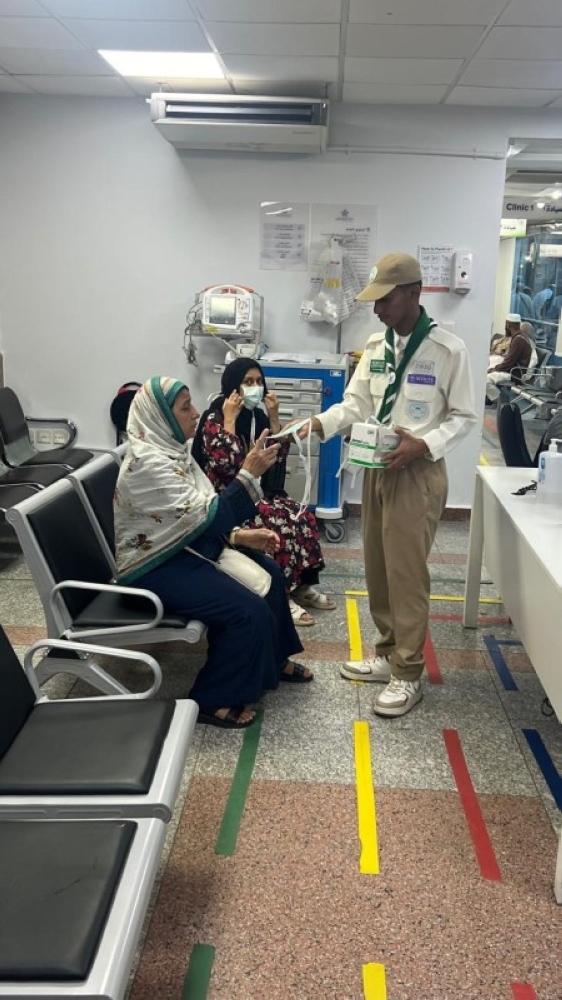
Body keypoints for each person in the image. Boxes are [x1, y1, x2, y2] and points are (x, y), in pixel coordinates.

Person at [282, 253, 477, 717]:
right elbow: (355, 405)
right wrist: (318, 423)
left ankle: (408, 673)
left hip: (418, 472)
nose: (377, 310)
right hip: (375, 469)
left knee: (406, 574)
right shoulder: (375, 347)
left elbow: (465, 417)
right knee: (378, 568)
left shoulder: (448, 350)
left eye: (385, 300)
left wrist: (423, 444)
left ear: (414, 293)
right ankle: (388, 653)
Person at [114, 376, 312, 731]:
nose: (195, 413)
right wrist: (248, 474)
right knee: (245, 610)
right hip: (153, 567)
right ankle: (212, 698)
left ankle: (274, 658)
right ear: (161, 417)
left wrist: (238, 536)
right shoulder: (148, 465)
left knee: (269, 570)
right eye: (185, 407)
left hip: (182, 549)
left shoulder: (172, 452)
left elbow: (191, 516)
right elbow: (211, 515)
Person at [191, 357, 336, 627]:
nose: (255, 387)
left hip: (255, 492)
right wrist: (230, 421)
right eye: (247, 382)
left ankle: (301, 586)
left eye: (259, 381)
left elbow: (275, 463)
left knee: (300, 515)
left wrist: (274, 419)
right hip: (225, 498)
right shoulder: (215, 417)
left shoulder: (257, 417)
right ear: (233, 386)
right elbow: (226, 467)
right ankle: (282, 594)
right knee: (276, 521)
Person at [486, 313, 534, 405]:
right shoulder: (519, 337)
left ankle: (502, 403)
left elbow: (509, 362)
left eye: (505, 324)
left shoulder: (519, 340)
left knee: (485, 380)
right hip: (512, 370)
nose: (505, 327)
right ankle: (500, 402)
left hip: (514, 374)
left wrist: (495, 369)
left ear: (508, 325)